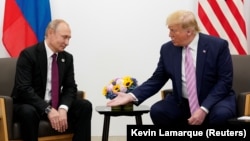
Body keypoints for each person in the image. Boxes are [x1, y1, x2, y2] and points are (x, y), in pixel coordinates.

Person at [107, 10, 236, 126]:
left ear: (189, 31)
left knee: (221, 115)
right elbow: (157, 79)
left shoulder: (217, 46)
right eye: (169, 30)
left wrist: (204, 108)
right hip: (183, 102)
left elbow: (224, 81)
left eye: (173, 30)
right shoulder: (168, 49)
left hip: (215, 101)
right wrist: (131, 96)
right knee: (158, 111)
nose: (170, 35)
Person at [11, 19, 92, 141]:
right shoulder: (29, 54)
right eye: (64, 37)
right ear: (50, 33)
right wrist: (47, 109)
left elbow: (70, 87)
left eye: (69, 38)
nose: (67, 42)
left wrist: (63, 108)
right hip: (30, 104)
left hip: (55, 104)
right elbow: (24, 89)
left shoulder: (67, 58)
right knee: (28, 111)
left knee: (85, 106)